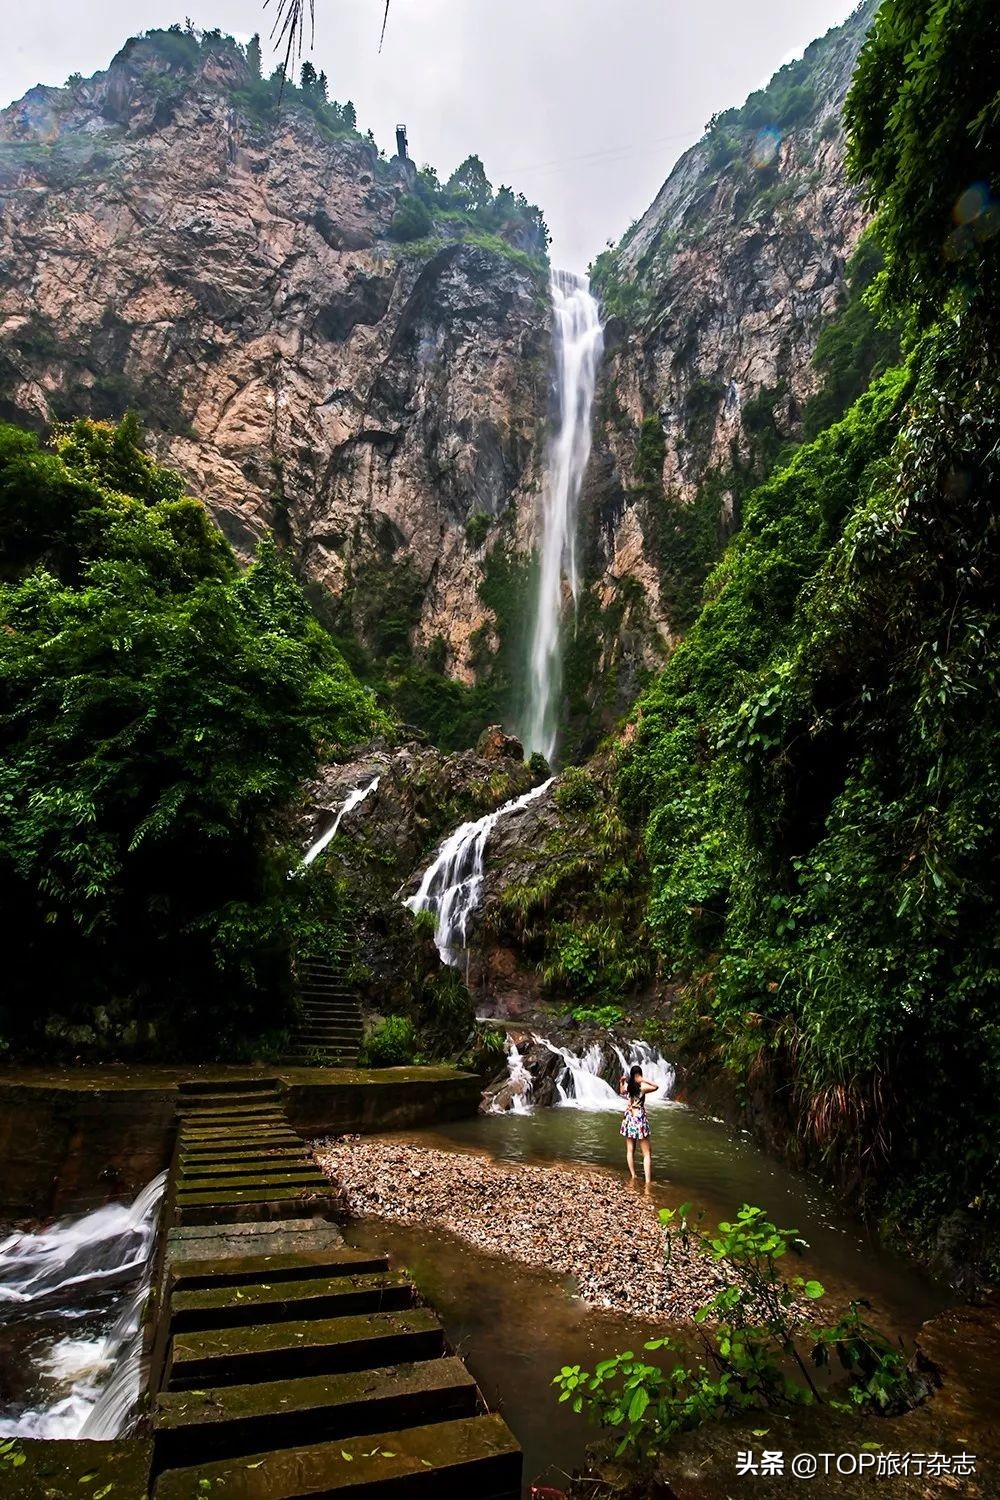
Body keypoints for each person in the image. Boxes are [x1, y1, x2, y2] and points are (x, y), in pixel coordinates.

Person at [619, 1064, 657, 1184]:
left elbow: (622, 1091)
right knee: (647, 1153)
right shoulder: (642, 1087)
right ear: (639, 1074)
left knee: (630, 1150)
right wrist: (642, 1079)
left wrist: (621, 1082)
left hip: (630, 1118)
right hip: (639, 1118)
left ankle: (634, 1175)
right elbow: (656, 1086)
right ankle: (647, 1181)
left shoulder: (629, 1087)